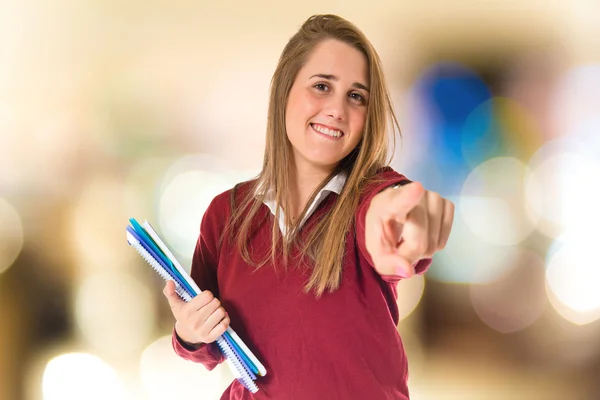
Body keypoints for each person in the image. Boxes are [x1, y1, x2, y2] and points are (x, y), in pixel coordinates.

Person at [163, 14, 454, 400]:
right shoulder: (226, 214)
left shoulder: (370, 196)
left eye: (356, 96)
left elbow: (390, 211)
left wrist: (408, 226)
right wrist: (190, 332)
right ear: (285, 91)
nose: (337, 109)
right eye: (321, 86)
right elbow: (208, 348)